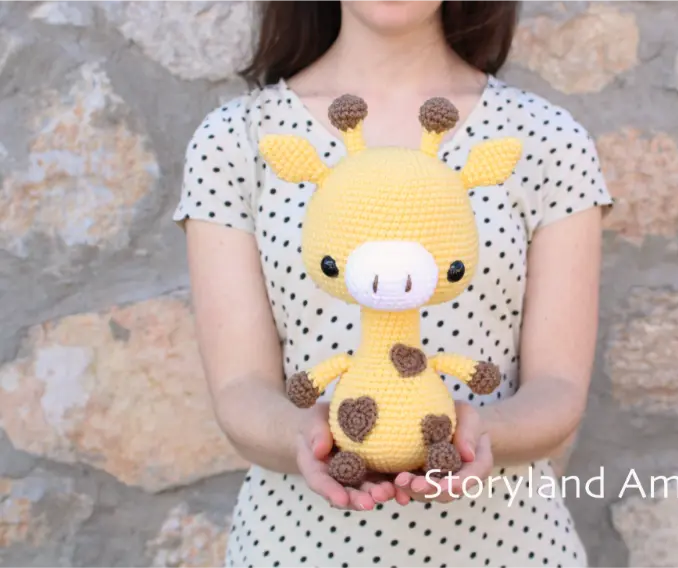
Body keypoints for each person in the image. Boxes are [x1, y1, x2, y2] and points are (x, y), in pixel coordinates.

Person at [172, 0, 613, 566]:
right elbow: (240, 388)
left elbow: (559, 388)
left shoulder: (547, 139)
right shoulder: (236, 139)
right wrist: (308, 436)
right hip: (295, 548)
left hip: (511, 547)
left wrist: (477, 431)